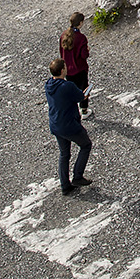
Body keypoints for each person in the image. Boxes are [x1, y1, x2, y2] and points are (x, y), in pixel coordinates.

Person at [45, 58, 93, 196]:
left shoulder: (48, 85)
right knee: (86, 145)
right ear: (62, 70)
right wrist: (85, 94)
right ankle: (78, 176)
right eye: (65, 67)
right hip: (69, 124)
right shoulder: (67, 86)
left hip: (56, 124)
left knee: (64, 154)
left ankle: (65, 185)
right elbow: (80, 97)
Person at [60, 12, 90, 115]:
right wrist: (87, 50)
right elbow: (84, 55)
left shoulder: (63, 35)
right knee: (84, 89)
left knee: (72, 90)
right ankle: (84, 110)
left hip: (68, 70)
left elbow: (61, 52)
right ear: (80, 23)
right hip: (79, 69)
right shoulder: (81, 38)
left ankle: (74, 110)